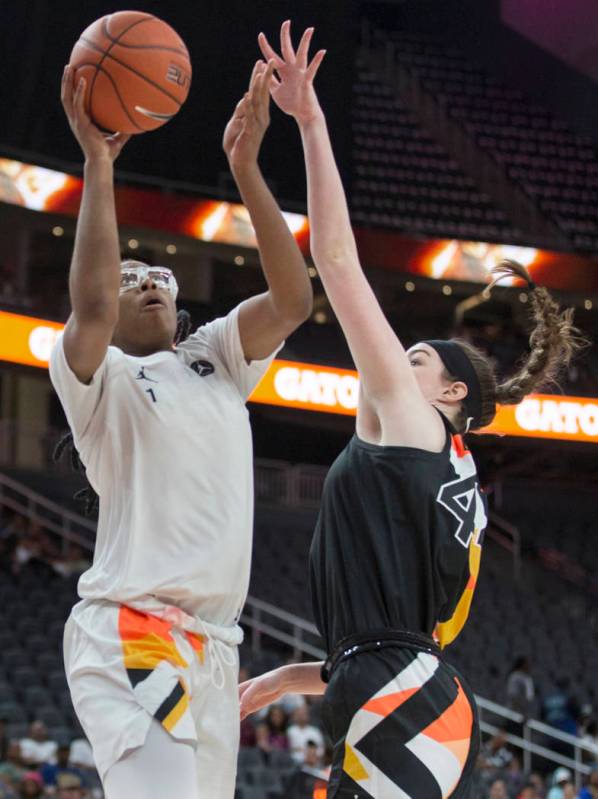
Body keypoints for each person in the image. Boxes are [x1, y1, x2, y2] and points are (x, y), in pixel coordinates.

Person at [239, 20, 584, 799]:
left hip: (402, 696)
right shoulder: (441, 464)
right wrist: (272, 682)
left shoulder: (415, 425)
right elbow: (384, 637)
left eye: (416, 358)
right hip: (408, 689)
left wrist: (313, 121)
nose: (396, 364)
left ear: (450, 393)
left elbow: (334, 259)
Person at [49, 59, 312, 799]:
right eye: (129, 274)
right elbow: (93, 306)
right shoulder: (94, 378)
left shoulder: (217, 356)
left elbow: (293, 300)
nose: (146, 279)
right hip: (133, 627)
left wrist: (247, 167)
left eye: (156, 272)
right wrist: (99, 162)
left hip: (215, 651)